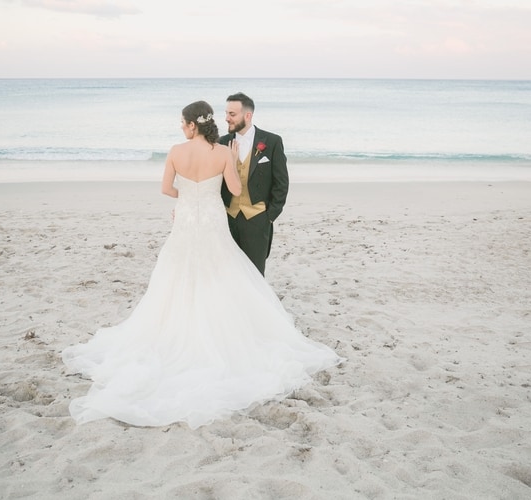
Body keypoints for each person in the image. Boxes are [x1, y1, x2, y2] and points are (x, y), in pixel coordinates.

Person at [61, 100, 342, 429]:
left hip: (186, 220)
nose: (181, 127)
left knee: (177, 274)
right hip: (211, 219)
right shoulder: (224, 152)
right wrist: (233, 166)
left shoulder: (175, 151)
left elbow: (166, 188)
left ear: (193, 124)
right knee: (219, 271)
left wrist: (187, 198)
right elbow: (235, 189)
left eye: (183, 122)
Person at [219, 92, 289, 276]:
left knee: (255, 275)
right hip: (228, 218)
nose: (227, 118)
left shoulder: (272, 142)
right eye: (226, 113)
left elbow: (281, 183)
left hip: (258, 219)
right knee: (229, 273)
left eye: (232, 114)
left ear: (247, 116)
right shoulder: (222, 143)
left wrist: (270, 216)